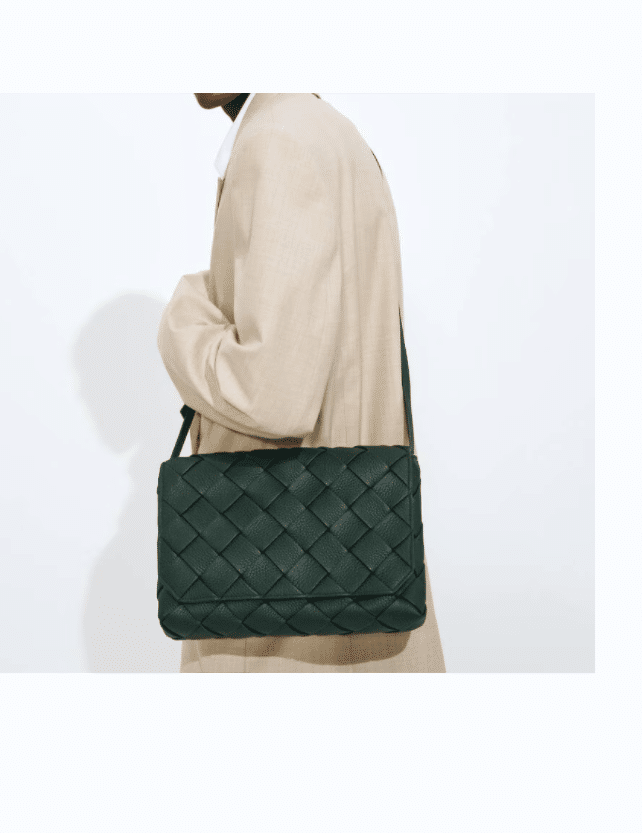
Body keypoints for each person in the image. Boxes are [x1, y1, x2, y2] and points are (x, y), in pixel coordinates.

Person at [157, 93, 446, 672]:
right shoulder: (333, 133)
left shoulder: (276, 141)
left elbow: (273, 395)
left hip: (276, 605)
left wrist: (184, 320)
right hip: (359, 567)